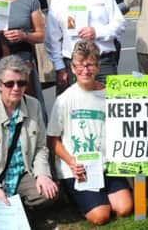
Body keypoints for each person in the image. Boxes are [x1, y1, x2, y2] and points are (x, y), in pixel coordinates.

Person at [47, 40, 133, 225]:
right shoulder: (64, 100)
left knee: (124, 208)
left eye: (90, 65)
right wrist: (71, 162)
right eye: (80, 65)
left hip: (106, 164)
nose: (85, 70)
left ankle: (100, 195)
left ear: (98, 66)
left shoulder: (110, 94)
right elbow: (52, 139)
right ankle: (76, 198)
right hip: (78, 168)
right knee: (101, 216)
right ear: (72, 67)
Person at [0, 55, 58, 223]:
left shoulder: (34, 105)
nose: (16, 88)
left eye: (21, 83)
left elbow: (40, 148)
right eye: (9, 84)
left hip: (23, 172)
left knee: (48, 194)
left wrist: (42, 174)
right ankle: (10, 208)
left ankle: (21, 207)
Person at [45, 0, 125, 91]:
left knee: (106, 109)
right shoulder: (58, 1)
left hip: (103, 63)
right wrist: (59, 67)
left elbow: (120, 25)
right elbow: (52, 39)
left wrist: (97, 32)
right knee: (71, 110)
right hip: (72, 65)